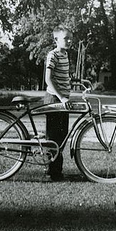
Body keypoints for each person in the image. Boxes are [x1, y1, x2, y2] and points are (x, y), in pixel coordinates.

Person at [44, 26, 73, 181]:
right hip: (54, 99)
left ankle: (57, 170)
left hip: (63, 100)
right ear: (56, 39)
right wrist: (61, 97)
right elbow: (48, 79)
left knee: (62, 136)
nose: (69, 41)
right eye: (65, 38)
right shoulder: (53, 54)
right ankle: (52, 172)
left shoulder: (65, 54)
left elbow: (63, 76)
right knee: (53, 137)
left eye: (70, 38)